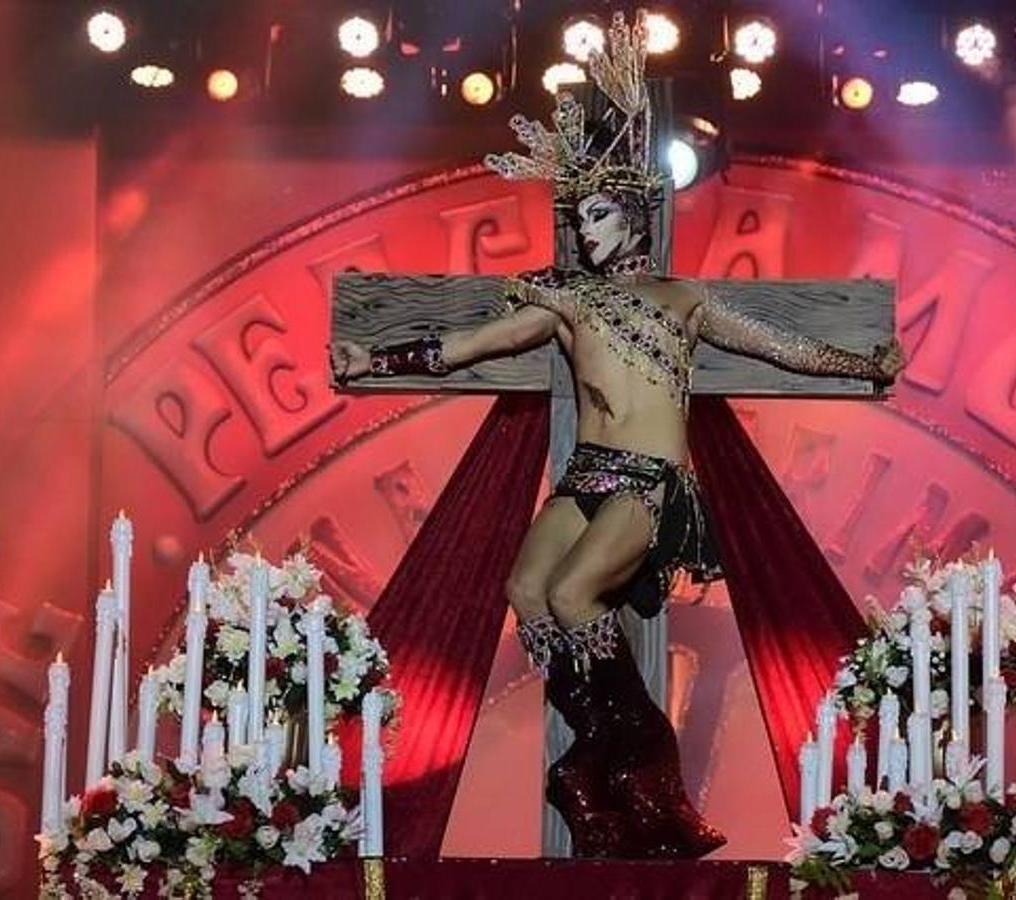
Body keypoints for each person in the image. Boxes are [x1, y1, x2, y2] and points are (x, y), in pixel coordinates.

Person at [330, 13, 902, 860]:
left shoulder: (682, 301)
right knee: (528, 591)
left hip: (648, 480)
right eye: (578, 219)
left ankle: (638, 757)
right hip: (588, 470)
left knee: (570, 599)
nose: (583, 232)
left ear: (632, 219)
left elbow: (778, 345)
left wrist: (862, 365)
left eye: (596, 217)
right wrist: (373, 358)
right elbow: (472, 346)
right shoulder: (564, 301)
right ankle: (599, 741)